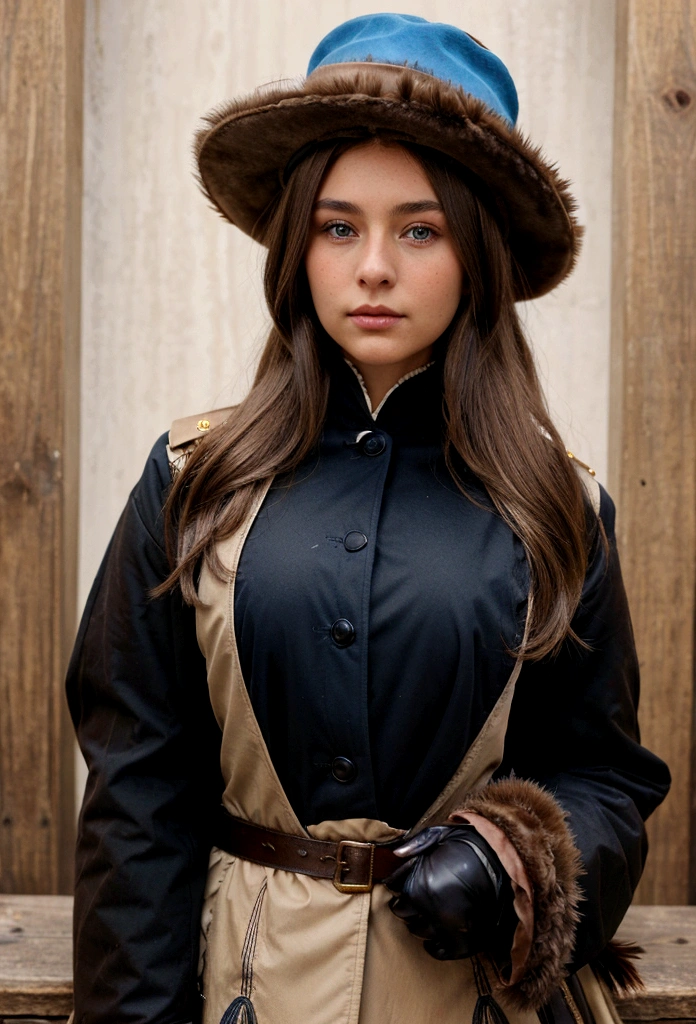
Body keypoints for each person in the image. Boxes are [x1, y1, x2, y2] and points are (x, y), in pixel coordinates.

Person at [67, 13, 671, 1024]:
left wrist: (518, 858)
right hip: (243, 992)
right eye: (339, 225)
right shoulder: (190, 484)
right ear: (298, 244)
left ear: (476, 250)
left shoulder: (560, 508)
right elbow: (138, 799)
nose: (375, 265)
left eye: (420, 228)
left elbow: (605, 778)